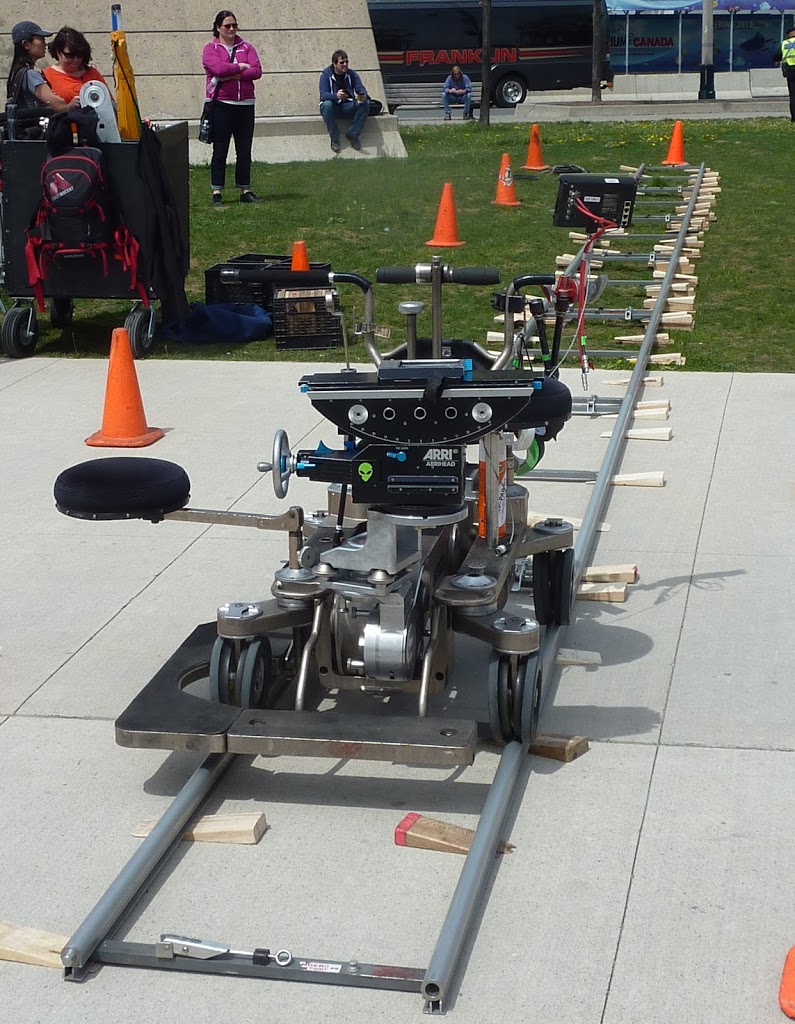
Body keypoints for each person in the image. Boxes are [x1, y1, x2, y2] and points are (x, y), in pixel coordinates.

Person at [202, 11, 262, 205]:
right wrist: (241, 67)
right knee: (220, 149)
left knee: (244, 150)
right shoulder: (210, 49)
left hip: (245, 104)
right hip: (222, 105)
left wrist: (233, 75)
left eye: (234, 25)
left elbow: (257, 71)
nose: (231, 29)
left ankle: (245, 189)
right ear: (218, 27)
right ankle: (217, 191)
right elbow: (218, 69)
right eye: (227, 26)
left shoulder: (247, 47)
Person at [6, 20, 79, 113]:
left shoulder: (16, 73)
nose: (45, 44)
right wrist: (70, 105)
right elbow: (58, 104)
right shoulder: (30, 74)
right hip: (34, 122)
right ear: (26, 44)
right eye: (41, 39)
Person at [42, 26, 110, 105]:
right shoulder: (47, 76)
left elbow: (109, 102)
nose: (76, 59)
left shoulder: (92, 73)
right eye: (70, 55)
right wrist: (68, 107)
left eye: (80, 55)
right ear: (58, 52)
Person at [319, 50, 370, 153]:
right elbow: (323, 95)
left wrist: (362, 96)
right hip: (333, 107)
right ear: (334, 64)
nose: (345, 65)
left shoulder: (352, 74)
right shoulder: (326, 75)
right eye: (342, 62)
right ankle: (335, 139)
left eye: (347, 62)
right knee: (327, 105)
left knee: (366, 103)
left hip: (348, 105)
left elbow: (360, 88)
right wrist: (336, 96)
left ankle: (353, 135)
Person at [774, 25, 795, 123]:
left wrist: (777, 60)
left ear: (789, 35)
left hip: (790, 71)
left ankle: (794, 118)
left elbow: (776, 56)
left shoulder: (784, 43)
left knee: (793, 95)